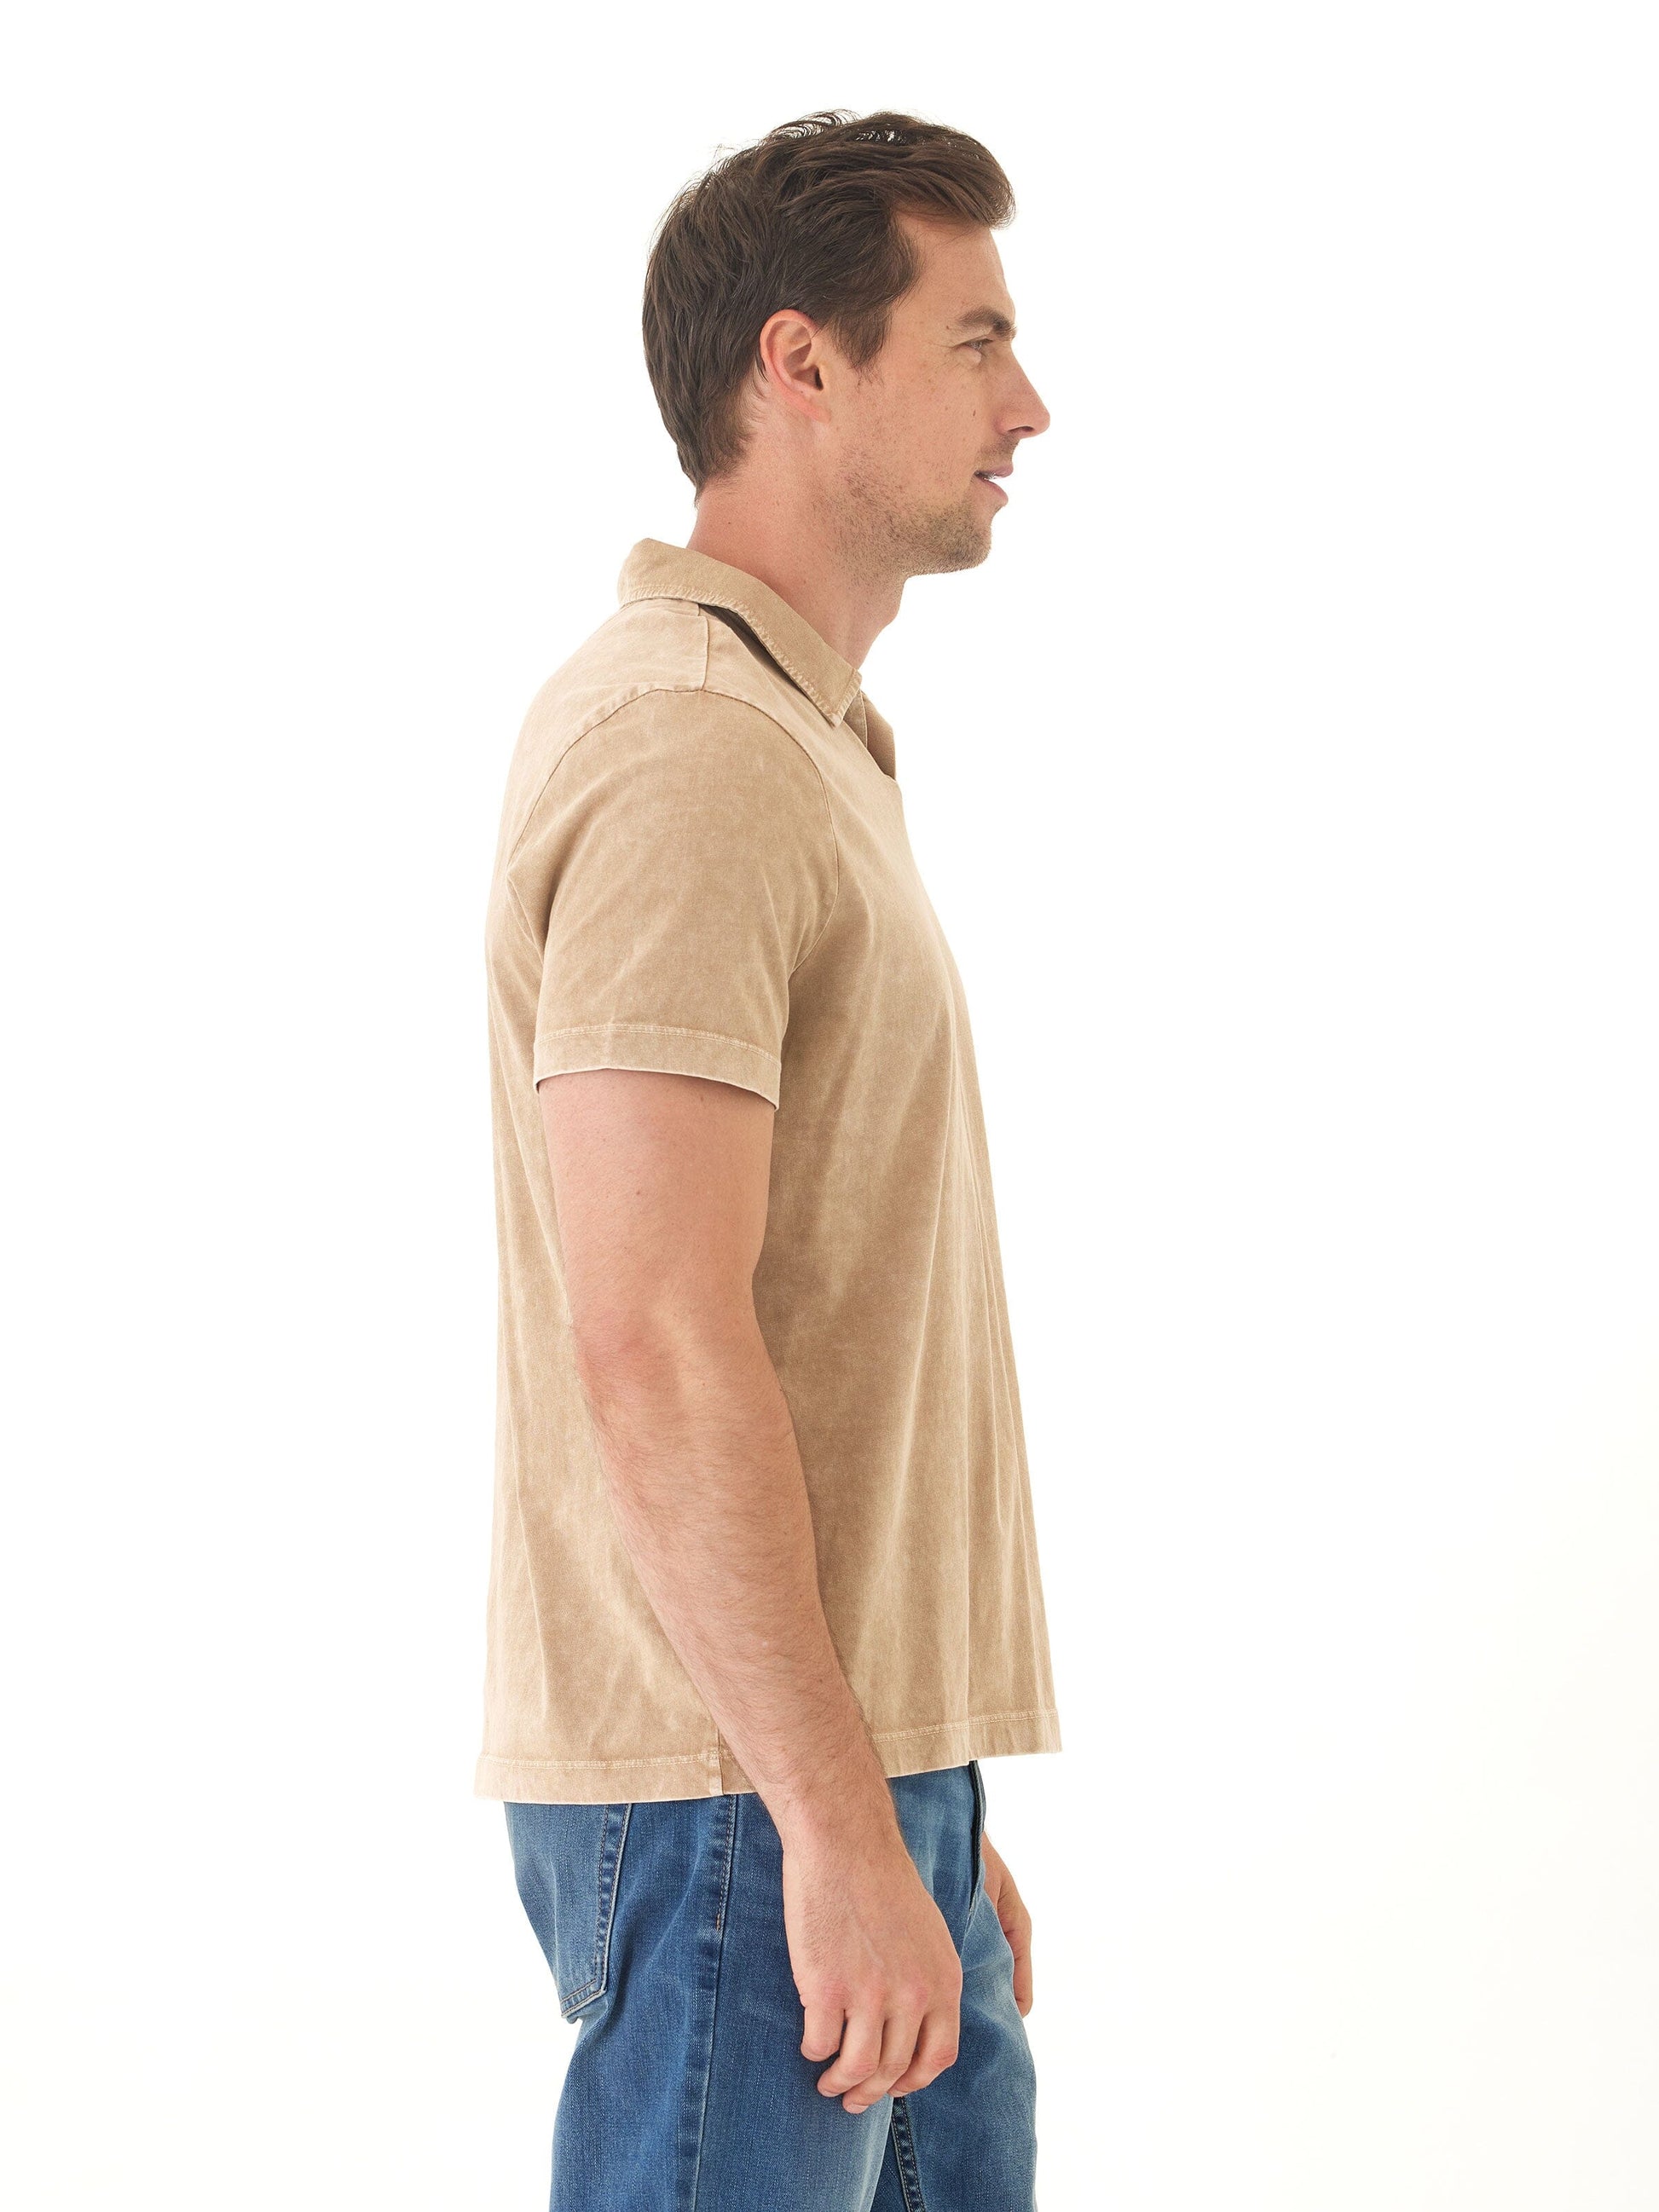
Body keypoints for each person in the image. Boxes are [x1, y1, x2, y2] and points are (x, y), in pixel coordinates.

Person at [477, 108, 1061, 2211]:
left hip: (837, 1767)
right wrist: (826, 1813)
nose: (1028, 403)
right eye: (975, 339)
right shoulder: (693, 746)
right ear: (800, 363)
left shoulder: (792, 739)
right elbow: (648, 1326)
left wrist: (911, 1785)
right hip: (738, 1794)